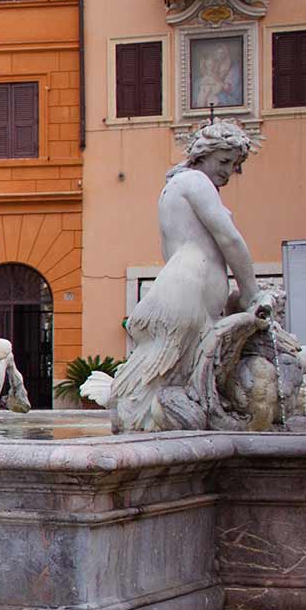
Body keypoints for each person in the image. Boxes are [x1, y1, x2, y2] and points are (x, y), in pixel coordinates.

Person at [111, 119, 269, 432]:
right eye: (223, 161)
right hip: (188, 293)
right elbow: (229, 239)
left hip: (188, 292)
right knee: (165, 374)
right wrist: (251, 291)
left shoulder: (175, 187)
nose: (227, 171)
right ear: (201, 154)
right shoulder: (196, 182)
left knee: (169, 374)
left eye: (233, 165)